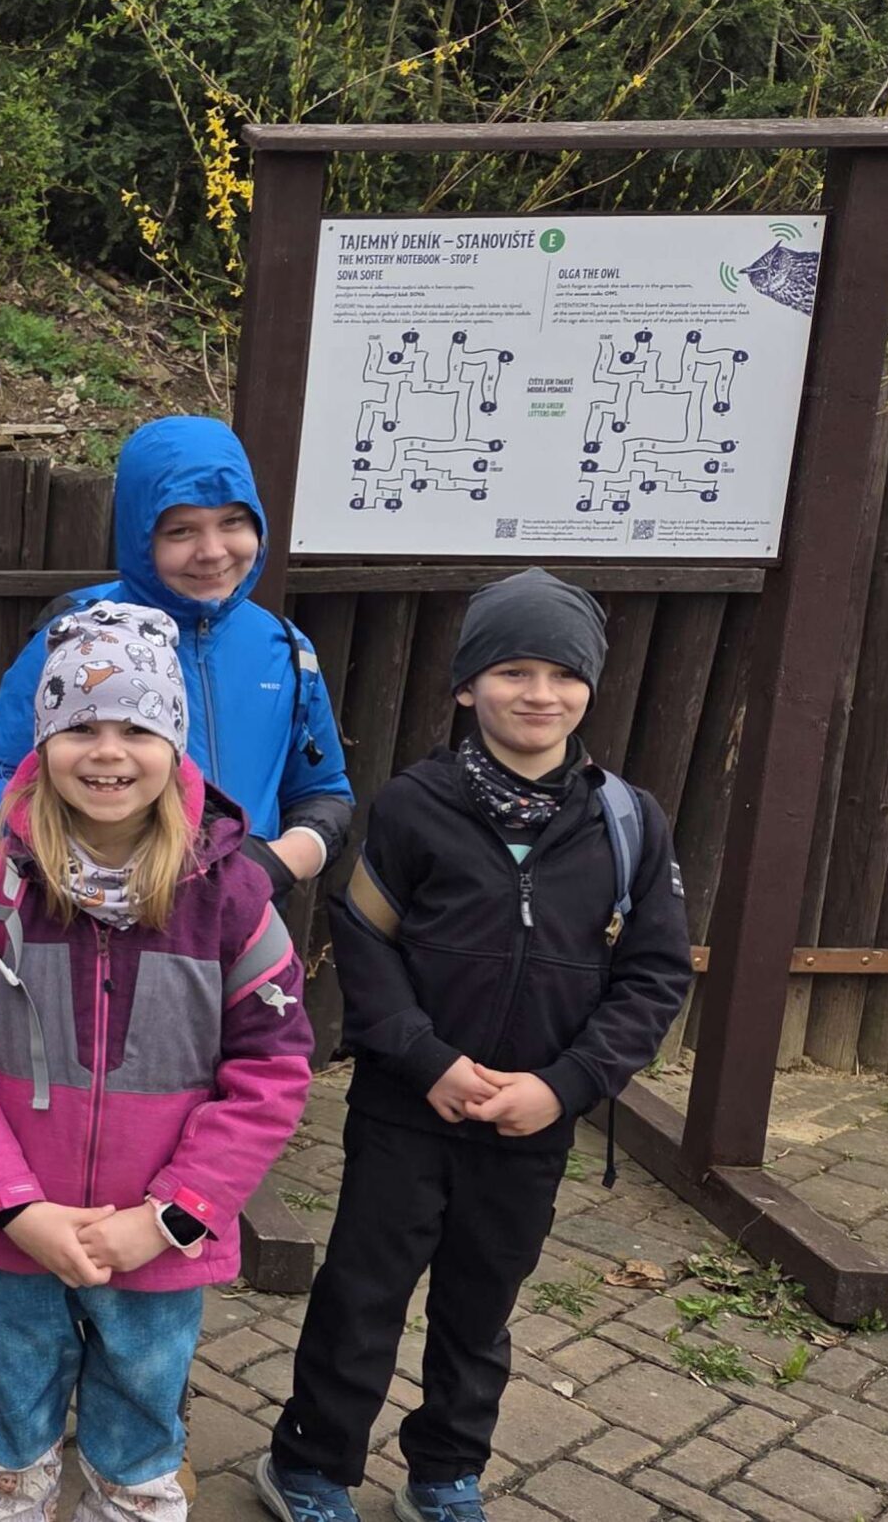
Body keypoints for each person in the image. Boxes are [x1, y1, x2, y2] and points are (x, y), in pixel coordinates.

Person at [255, 569, 693, 1522]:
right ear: (466, 686)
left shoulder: (628, 823)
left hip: (533, 1121)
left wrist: (566, 1084)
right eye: (513, 671)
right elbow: (362, 942)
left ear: (590, 687)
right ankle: (311, 1465)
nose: (540, 694)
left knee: (481, 1302)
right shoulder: (413, 805)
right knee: (362, 1293)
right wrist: (428, 1061)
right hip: (404, 1109)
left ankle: (447, 1469)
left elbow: (655, 975)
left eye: (563, 674)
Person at [0, 603, 314, 1518]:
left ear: (174, 742)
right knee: (8, 1442)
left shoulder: (232, 895)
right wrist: (14, 1205)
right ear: (43, 739)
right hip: (16, 1236)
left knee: (138, 1445)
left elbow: (271, 1072)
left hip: (156, 1244)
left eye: (137, 727)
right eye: (80, 726)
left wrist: (171, 1217)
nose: (108, 752)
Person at [0, 416, 349, 897]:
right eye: (181, 531)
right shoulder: (79, 637)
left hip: (241, 919)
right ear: (140, 538)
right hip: (86, 918)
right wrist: (92, 849)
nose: (212, 552)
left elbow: (323, 793)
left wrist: (273, 864)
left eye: (232, 522)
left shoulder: (287, 649)